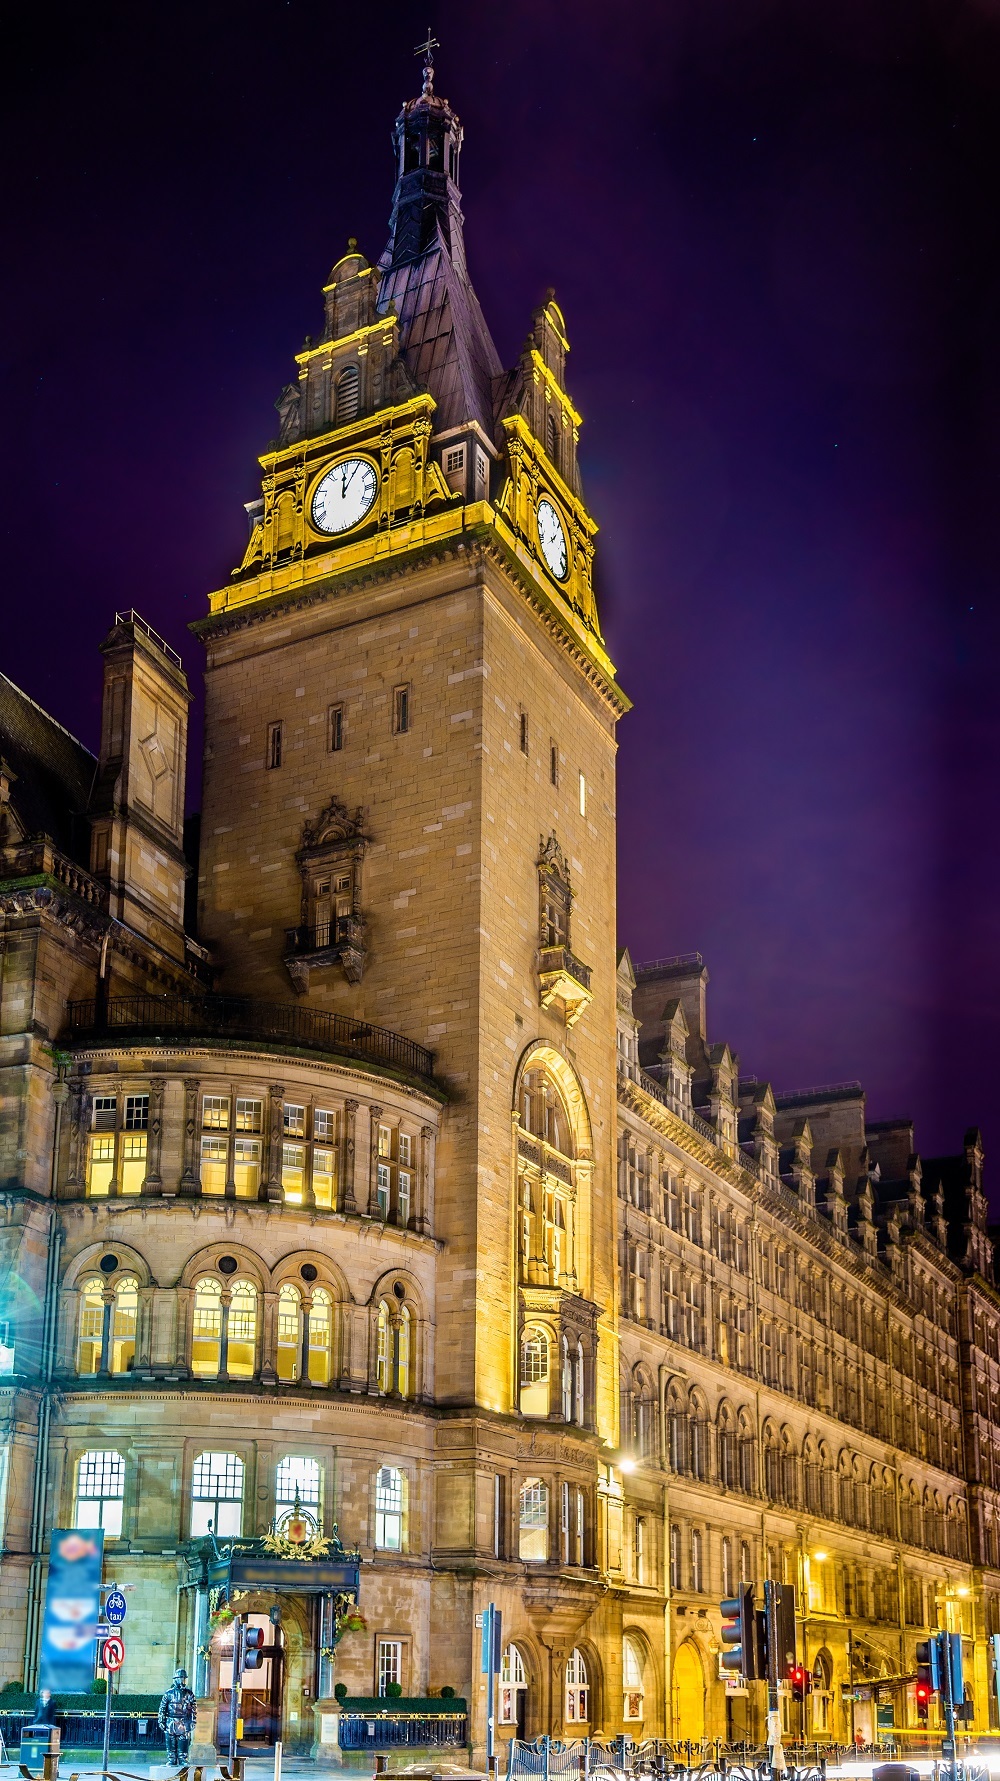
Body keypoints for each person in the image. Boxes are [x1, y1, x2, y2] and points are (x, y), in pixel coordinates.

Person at [157, 1668, 196, 1765]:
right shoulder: (168, 1693)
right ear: (176, 1679)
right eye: (181, 1678)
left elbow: (194, 1709)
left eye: (184, 1678)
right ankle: (171, 1759)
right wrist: (161, 1721)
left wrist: (193, 1721)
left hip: (183, 1721)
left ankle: (182, 1759)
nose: (183, 1681)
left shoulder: (189, 1693)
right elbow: (162, 1708)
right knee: (170, 1740)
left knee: (183, 1741)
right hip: (171, 1720)